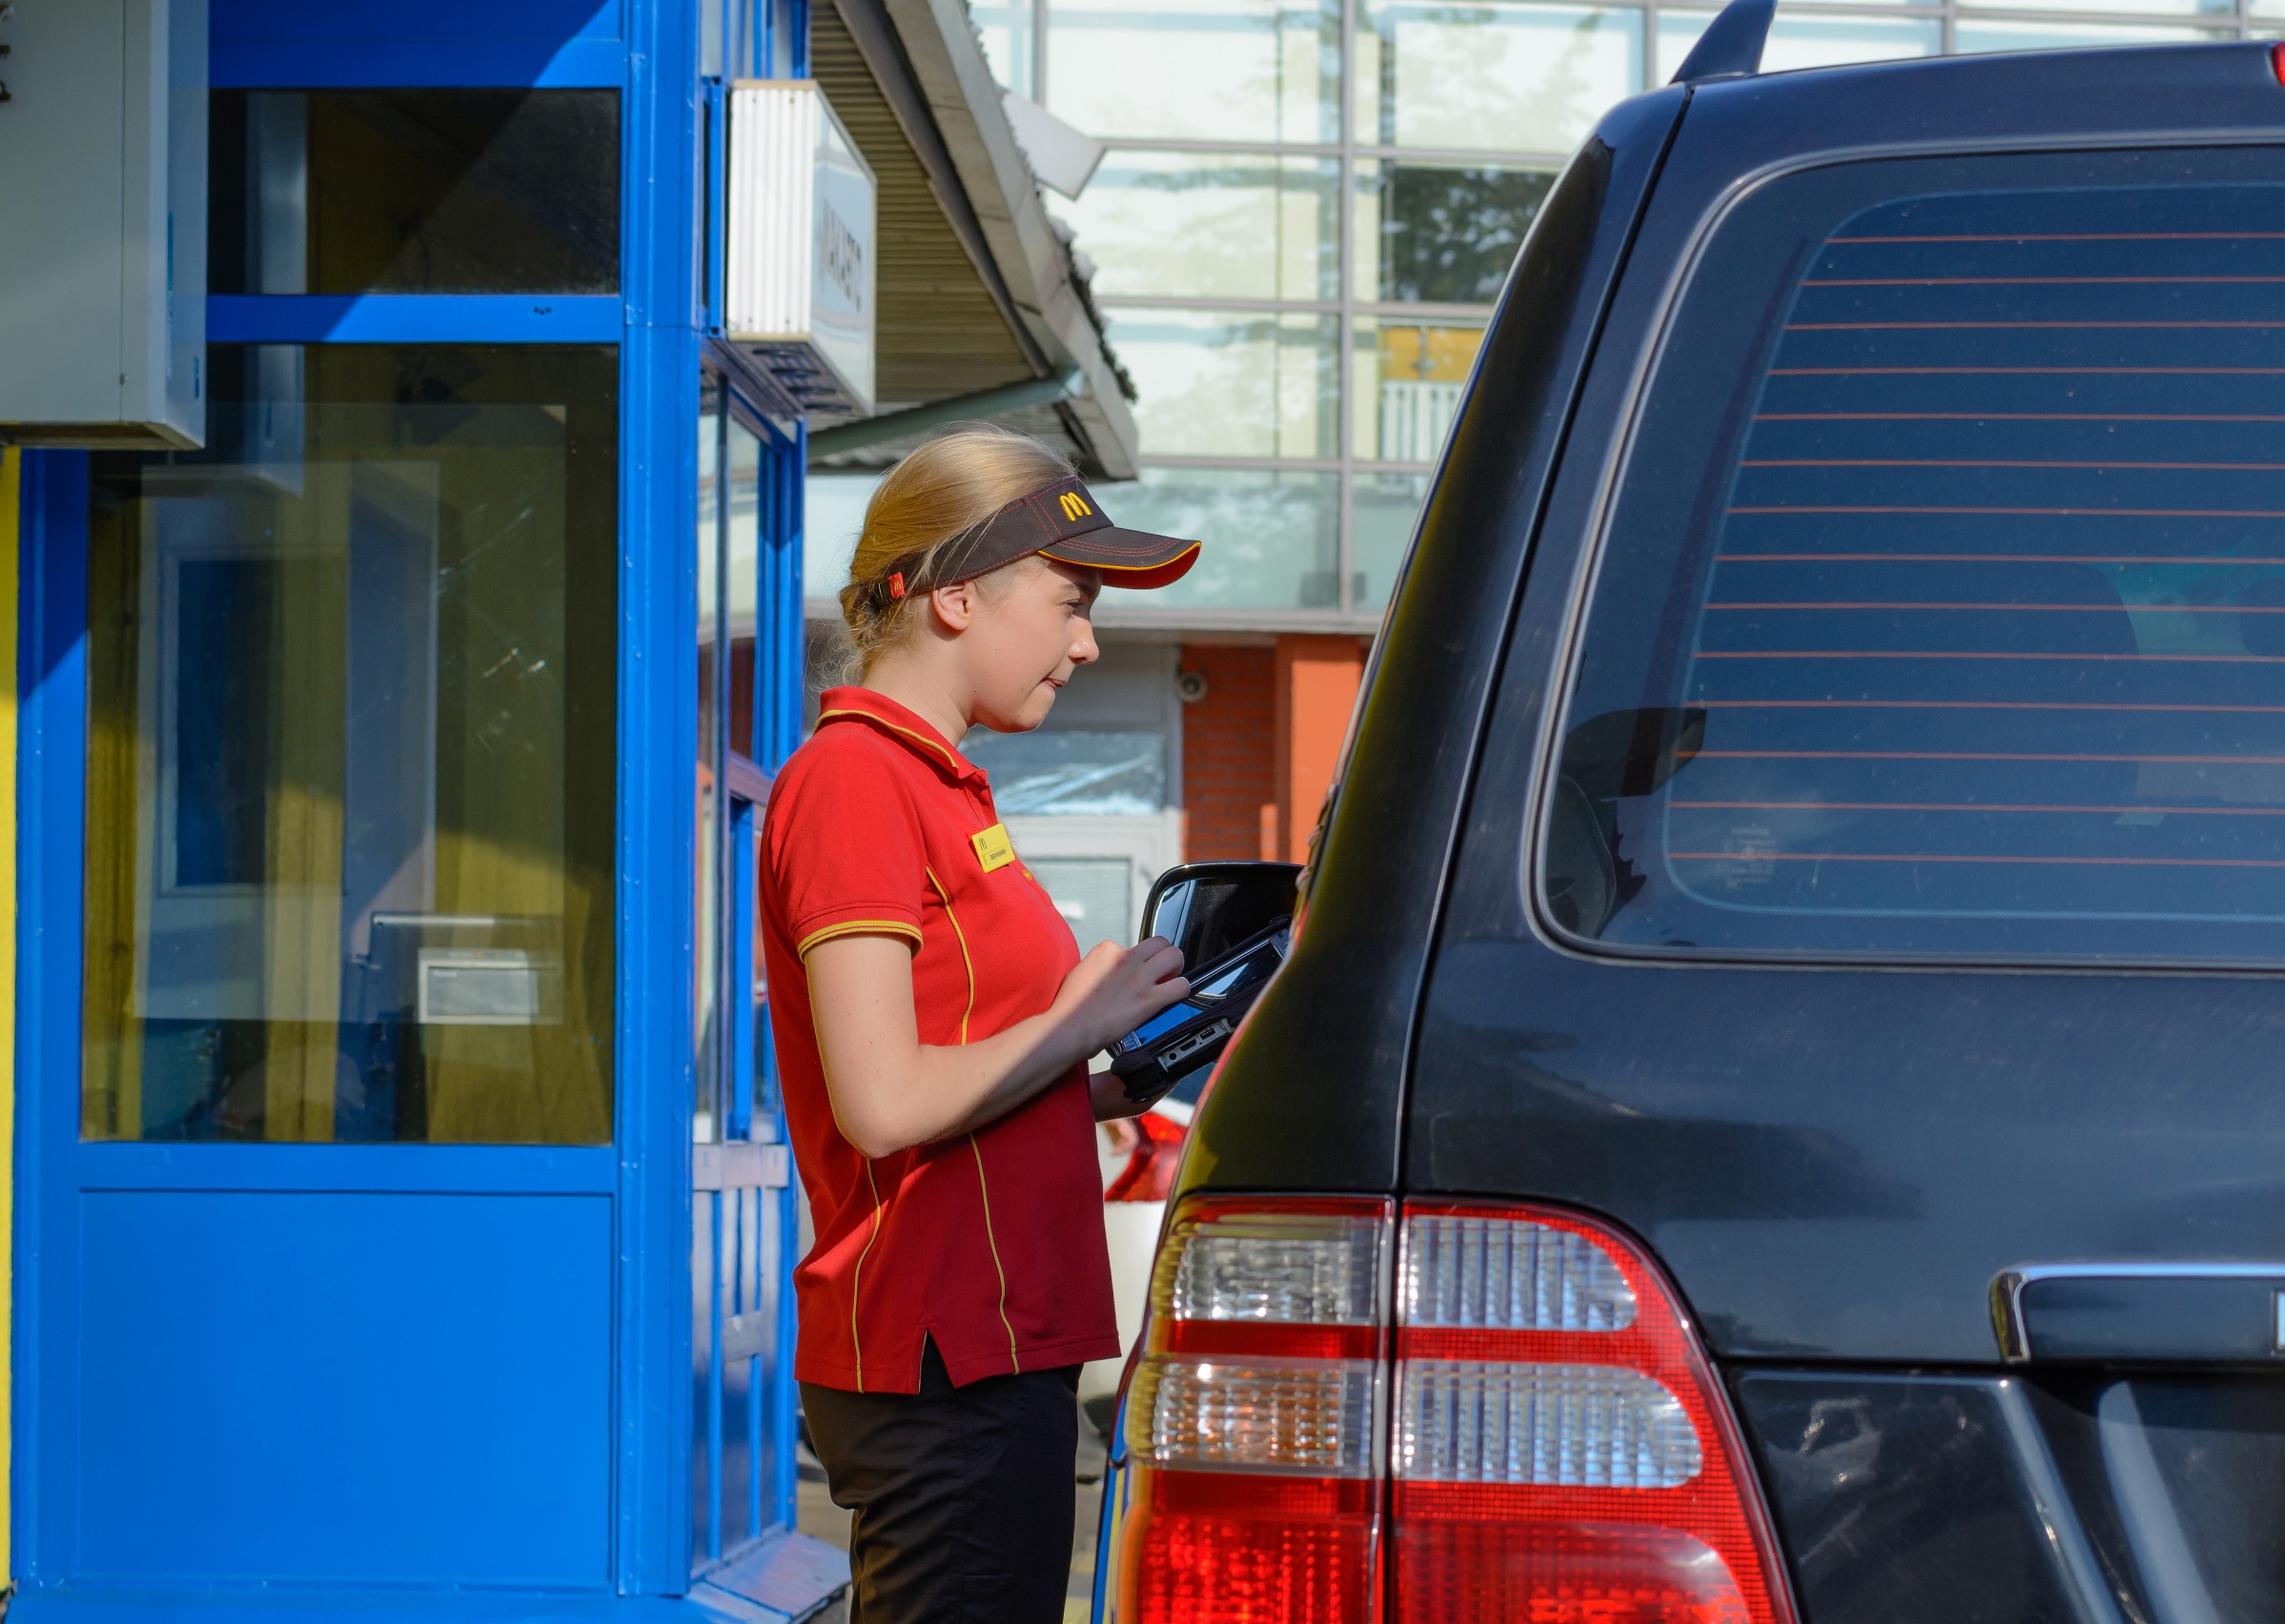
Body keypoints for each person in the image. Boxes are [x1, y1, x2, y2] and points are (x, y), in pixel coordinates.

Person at [759, 426, 1204, 1623]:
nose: (1085, 638)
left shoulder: (936, 782)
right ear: (957, 596)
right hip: (940, 1358)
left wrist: (1115, 1071)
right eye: (1069, 600)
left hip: (991, 1347)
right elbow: (885, 1102)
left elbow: (961, 1080)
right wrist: (1078, 1020)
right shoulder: (856, 779)